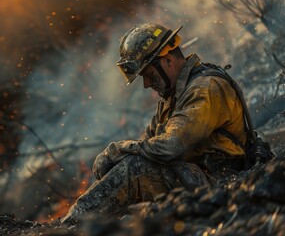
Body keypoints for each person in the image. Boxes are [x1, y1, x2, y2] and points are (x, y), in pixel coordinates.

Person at [61, 23, 249, 224]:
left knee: (133, 168)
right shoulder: (174, 97)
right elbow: (148, 145)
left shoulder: (204, 89)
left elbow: (171, 146)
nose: (146, 84)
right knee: (127, 164)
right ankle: (83, 223)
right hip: (196, 176)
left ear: (168, 60)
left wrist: (120, 149)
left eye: (149, 75)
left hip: (225, 182)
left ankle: (71, 226)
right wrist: (114, 158)